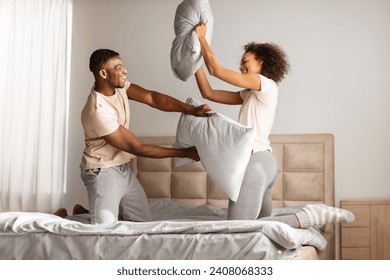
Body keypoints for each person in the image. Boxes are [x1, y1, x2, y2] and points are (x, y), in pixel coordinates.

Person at [193, 22, 354, 228]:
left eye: (246, 61)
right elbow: (209, 93)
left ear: (261, 61)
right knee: (262, 227)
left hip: (255, 163)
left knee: (236, 228)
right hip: (264, 163)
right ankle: (307, 215)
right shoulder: (251, 93)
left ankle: (311, 216)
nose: (241, 67)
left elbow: (216, 70)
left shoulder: (266, 85)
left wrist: (202, 38)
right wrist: (194, 62)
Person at [56, 48, 211, 225]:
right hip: (102, 171)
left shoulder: (119, 88)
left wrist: (191, 109)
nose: (125, 71)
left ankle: (85, 214)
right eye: (119, 67)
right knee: (104, 229)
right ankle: (67, 219)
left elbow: (152, 98)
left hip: (123, 169)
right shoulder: (98, 110)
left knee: (142, 223)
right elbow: (138, 148)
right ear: (103, 73)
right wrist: (186, 153)